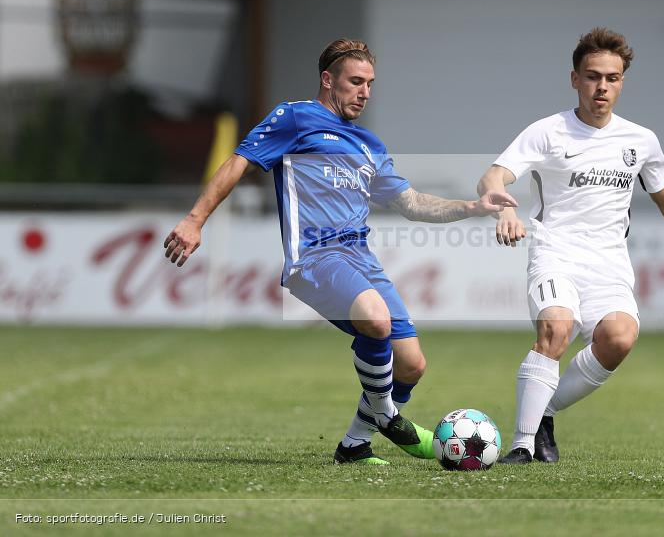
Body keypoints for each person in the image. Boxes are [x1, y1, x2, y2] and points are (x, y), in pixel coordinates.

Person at [164, 38, 516, 465]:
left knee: (411, 365)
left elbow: (412, 204)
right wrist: (195, 219)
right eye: (355, 82)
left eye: (370, 84)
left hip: (361, 259)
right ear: (328, 80)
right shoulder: (296, 118)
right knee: (375, 319)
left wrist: (473, 207)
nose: (365, 92)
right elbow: (239, 161)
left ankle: (354, 445)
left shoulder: (370, 144)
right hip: (315, 257)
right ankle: (387, 416)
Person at [477, 27, 664, 464]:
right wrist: (502, 206)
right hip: (555, 252)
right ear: (575, 79)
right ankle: (522, 445)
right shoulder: (547, 131)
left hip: (609, 263)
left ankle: (543, 412)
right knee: (556, 327)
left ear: (621, 82)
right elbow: (493, 175)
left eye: (612, 78)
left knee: (619, 338)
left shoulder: (641, 141)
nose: (602, 86)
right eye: (593, 76)